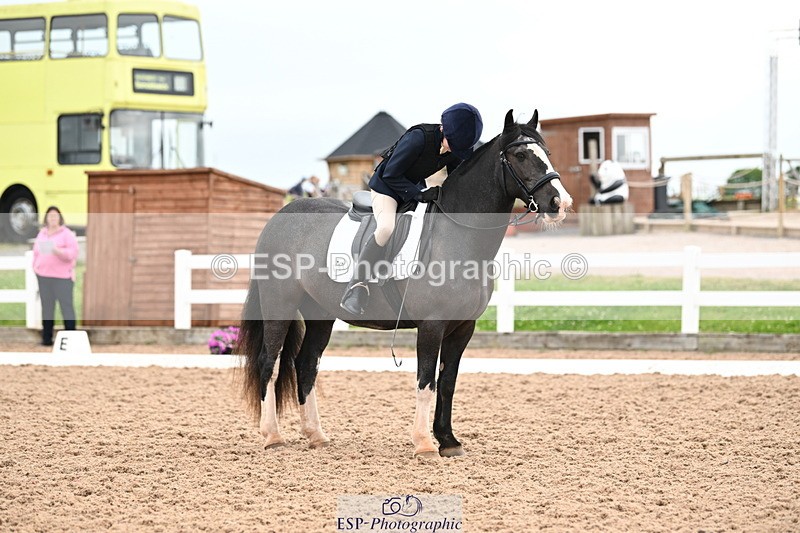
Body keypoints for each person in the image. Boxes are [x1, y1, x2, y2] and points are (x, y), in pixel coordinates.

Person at [340, 102, 483, 315]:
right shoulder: (418, 138)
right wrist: (419, 194)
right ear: (443, 130)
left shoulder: (455, 144)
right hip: (386, 188)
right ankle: (356, 285)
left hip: (414, 187)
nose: (455, 150)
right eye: (453, 145)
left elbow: (456, 176)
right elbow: (390, 174)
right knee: (387, 228)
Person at [32, 206, 79, 346]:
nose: (52, 218)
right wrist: (35, 267)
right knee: (47, 308)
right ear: (46, 218)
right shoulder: (42, 234)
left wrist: (56, 250)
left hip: (62, 277)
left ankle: (70, 339)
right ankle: (46, 338)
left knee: (66, 307)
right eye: (50, 216)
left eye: (55, 216)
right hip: (44, 276)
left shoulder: (67, 234)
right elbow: (36, 252)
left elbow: (72, 254)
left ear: (60, 217)